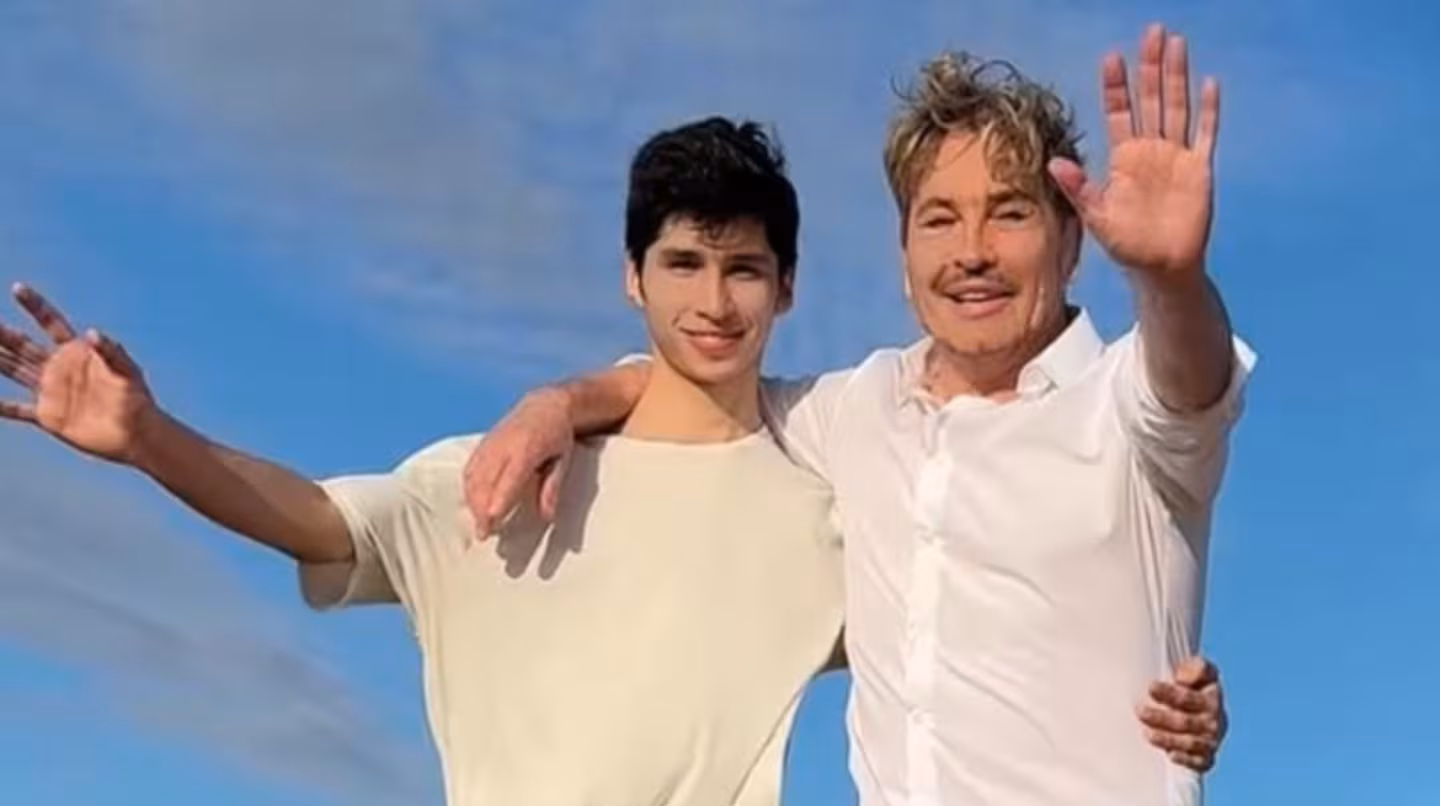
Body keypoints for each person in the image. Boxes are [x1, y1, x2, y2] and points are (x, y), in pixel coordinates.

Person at [461, 24, 1246, 806]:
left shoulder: (1127, 405)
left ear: (1070, 242)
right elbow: (696, 381)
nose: (972, 251)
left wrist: (1172, 279)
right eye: (939, 218)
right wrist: (557, 404)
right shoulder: (856, 408)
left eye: (1010, 213)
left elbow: (1190, 383)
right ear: (905, 256)